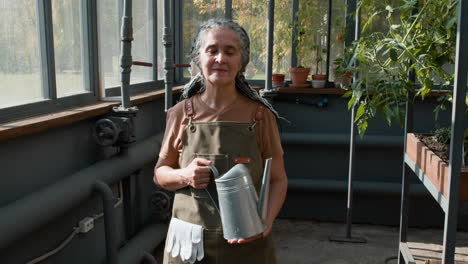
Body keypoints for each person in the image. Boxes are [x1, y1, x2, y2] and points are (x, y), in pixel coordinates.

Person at [153, 18, 288, 264]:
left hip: (248, 245)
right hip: (189, 246)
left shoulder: (260, 115)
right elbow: (160, 174)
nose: (220, 59)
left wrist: (265, 221)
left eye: (230, 51)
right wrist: (186, 176)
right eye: (212, 50)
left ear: (241, 61)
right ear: (199, 59)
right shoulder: (181, 113)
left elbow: (278, 179)